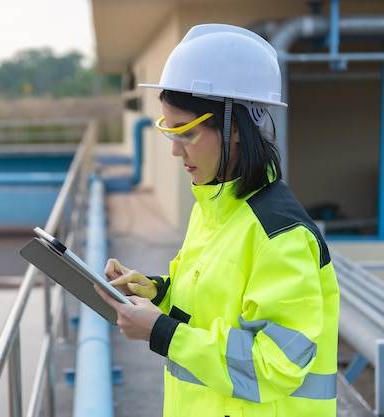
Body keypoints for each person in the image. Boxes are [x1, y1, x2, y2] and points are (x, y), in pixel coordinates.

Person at [94, 23, 340, 417]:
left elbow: (274, 366)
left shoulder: (281, 236)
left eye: (185, 133)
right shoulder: (212, 207)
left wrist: (161, 332)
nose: (175, 151)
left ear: (236, 128)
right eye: (168, 131)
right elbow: (215, 311)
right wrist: (158, 293)